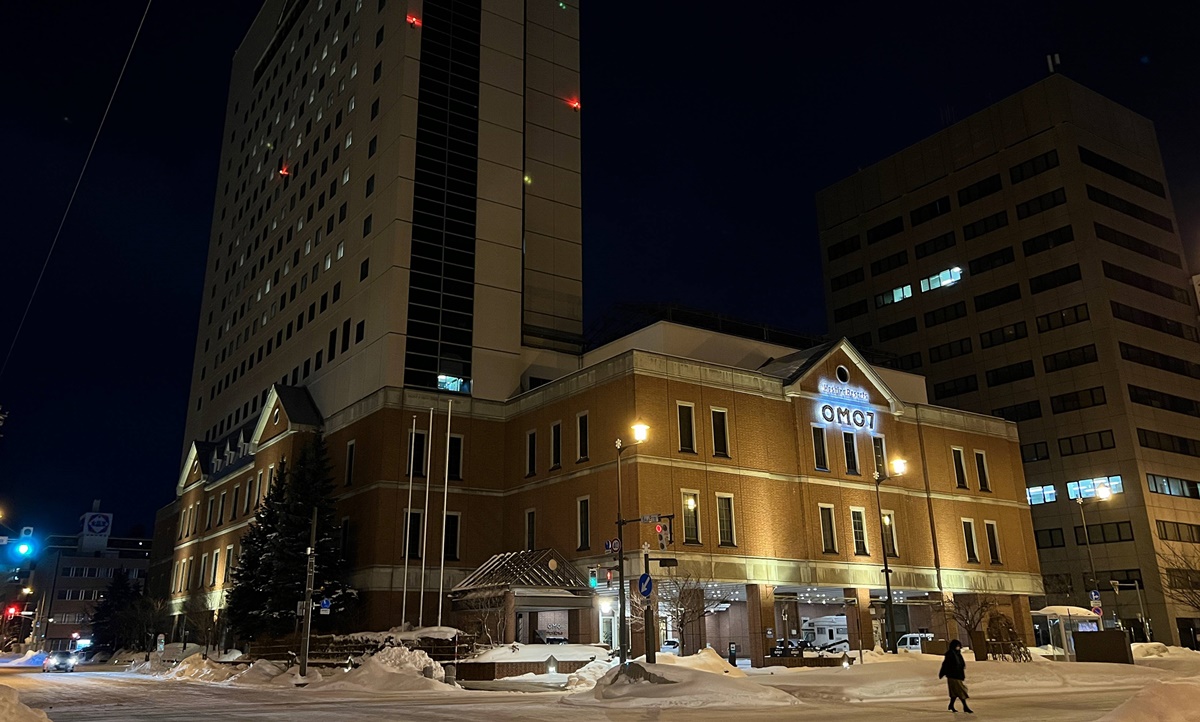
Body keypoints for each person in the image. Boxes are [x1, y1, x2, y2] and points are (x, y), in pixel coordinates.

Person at [938, 639, 973, 713]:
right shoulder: (950, 654)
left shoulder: (958, 654)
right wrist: (942, 673)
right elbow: (946, 664)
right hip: (953, 675)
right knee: (961, 691)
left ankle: (951, 705)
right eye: (957, 646)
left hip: (958, 675)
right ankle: (965, 707)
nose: (958, 647)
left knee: (955, 692)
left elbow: (961, 665)